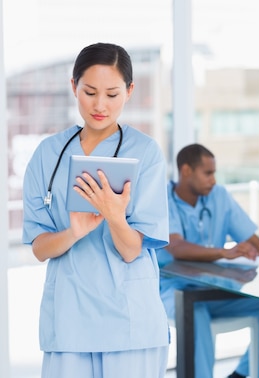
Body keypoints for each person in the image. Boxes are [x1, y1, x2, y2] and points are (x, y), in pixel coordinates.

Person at [21, 43, 170, 378]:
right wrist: (74, 232)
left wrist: (114, 216)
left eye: (112, 94)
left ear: (130, 92)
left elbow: (132, 250)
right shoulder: (48, 154)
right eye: (89, 92)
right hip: (69, 321)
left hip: (130, 322)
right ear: (73, 86)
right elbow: (39, 247)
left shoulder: (146, 153)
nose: (100, 105)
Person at [157, 143, 259, 378]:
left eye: (214, 174)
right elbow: (177, 247)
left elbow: (253, 241)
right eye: (208, 173)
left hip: (216, 291)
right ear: (186, 171)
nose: (213, 180)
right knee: (195, 312)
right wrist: (224, 252)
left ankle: (242, 375)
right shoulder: (162, 198)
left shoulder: (218, 196)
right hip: (174, 292)